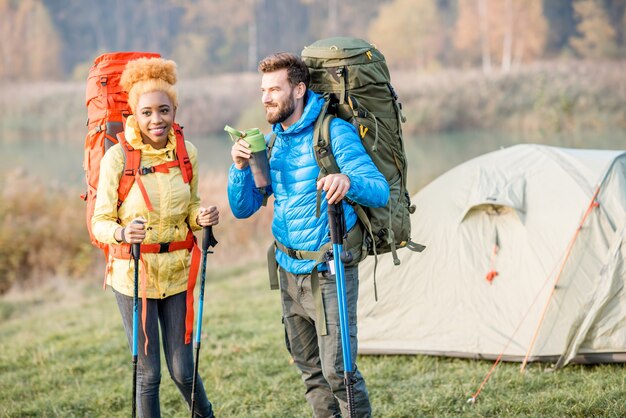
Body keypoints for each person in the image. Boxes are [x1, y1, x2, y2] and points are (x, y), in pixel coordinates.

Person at [227, 52, 389, 417]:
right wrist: (239, 168)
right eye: (263, 90)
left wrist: (347, 181)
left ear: (299, 89)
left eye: (275, 89)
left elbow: (379, 190)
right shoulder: (271, 143)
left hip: (329, 271)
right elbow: (244, 207)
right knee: (311, 372)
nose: (266, 97)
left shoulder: (334, 133)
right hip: (287, 270)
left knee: (339, 372)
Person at [91, 57, 218, 418]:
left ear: (174, 109)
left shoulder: (187, 153)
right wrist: (121, 231)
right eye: (146, 112)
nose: (156, 119)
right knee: (149, 374)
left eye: (164, 110)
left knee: (182, 368)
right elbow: (100, 222)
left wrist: (201, 217)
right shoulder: (117, 158)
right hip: (134, 277)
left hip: (176, 273)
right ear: (134, 113)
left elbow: (189, 208)